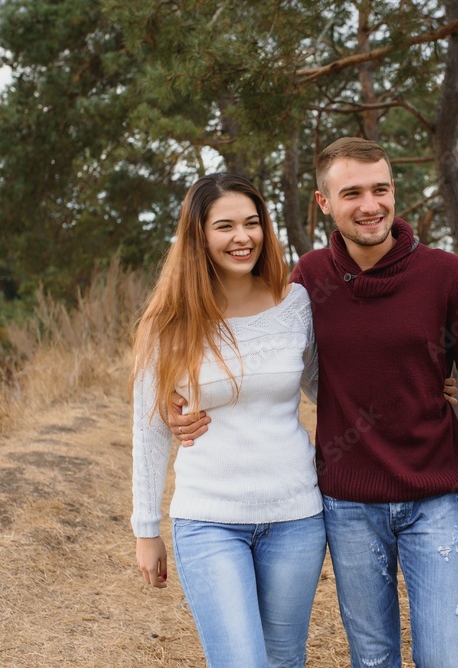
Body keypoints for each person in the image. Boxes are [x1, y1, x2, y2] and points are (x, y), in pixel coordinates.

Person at [171, 137, 458, 667]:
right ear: (324, 202)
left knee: (446, 659)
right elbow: (274, 358)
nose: (370, 205)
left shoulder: (444, 275)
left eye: (381, 189)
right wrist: (182, 400)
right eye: (352, 192)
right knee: (374, 659)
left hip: (434, 501)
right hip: (348, 505)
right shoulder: (309, 281)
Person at [130, 173, 326, 668]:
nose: (243, 237)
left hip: (296, 517)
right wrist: (146, 529)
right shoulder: (169, 320)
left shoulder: (295, 303)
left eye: (252, 223)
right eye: (225, 226)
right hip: (210, 518)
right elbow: (150, 430)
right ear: (199, 235)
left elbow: (329, 388)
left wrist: (417, 385)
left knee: (284, 660)